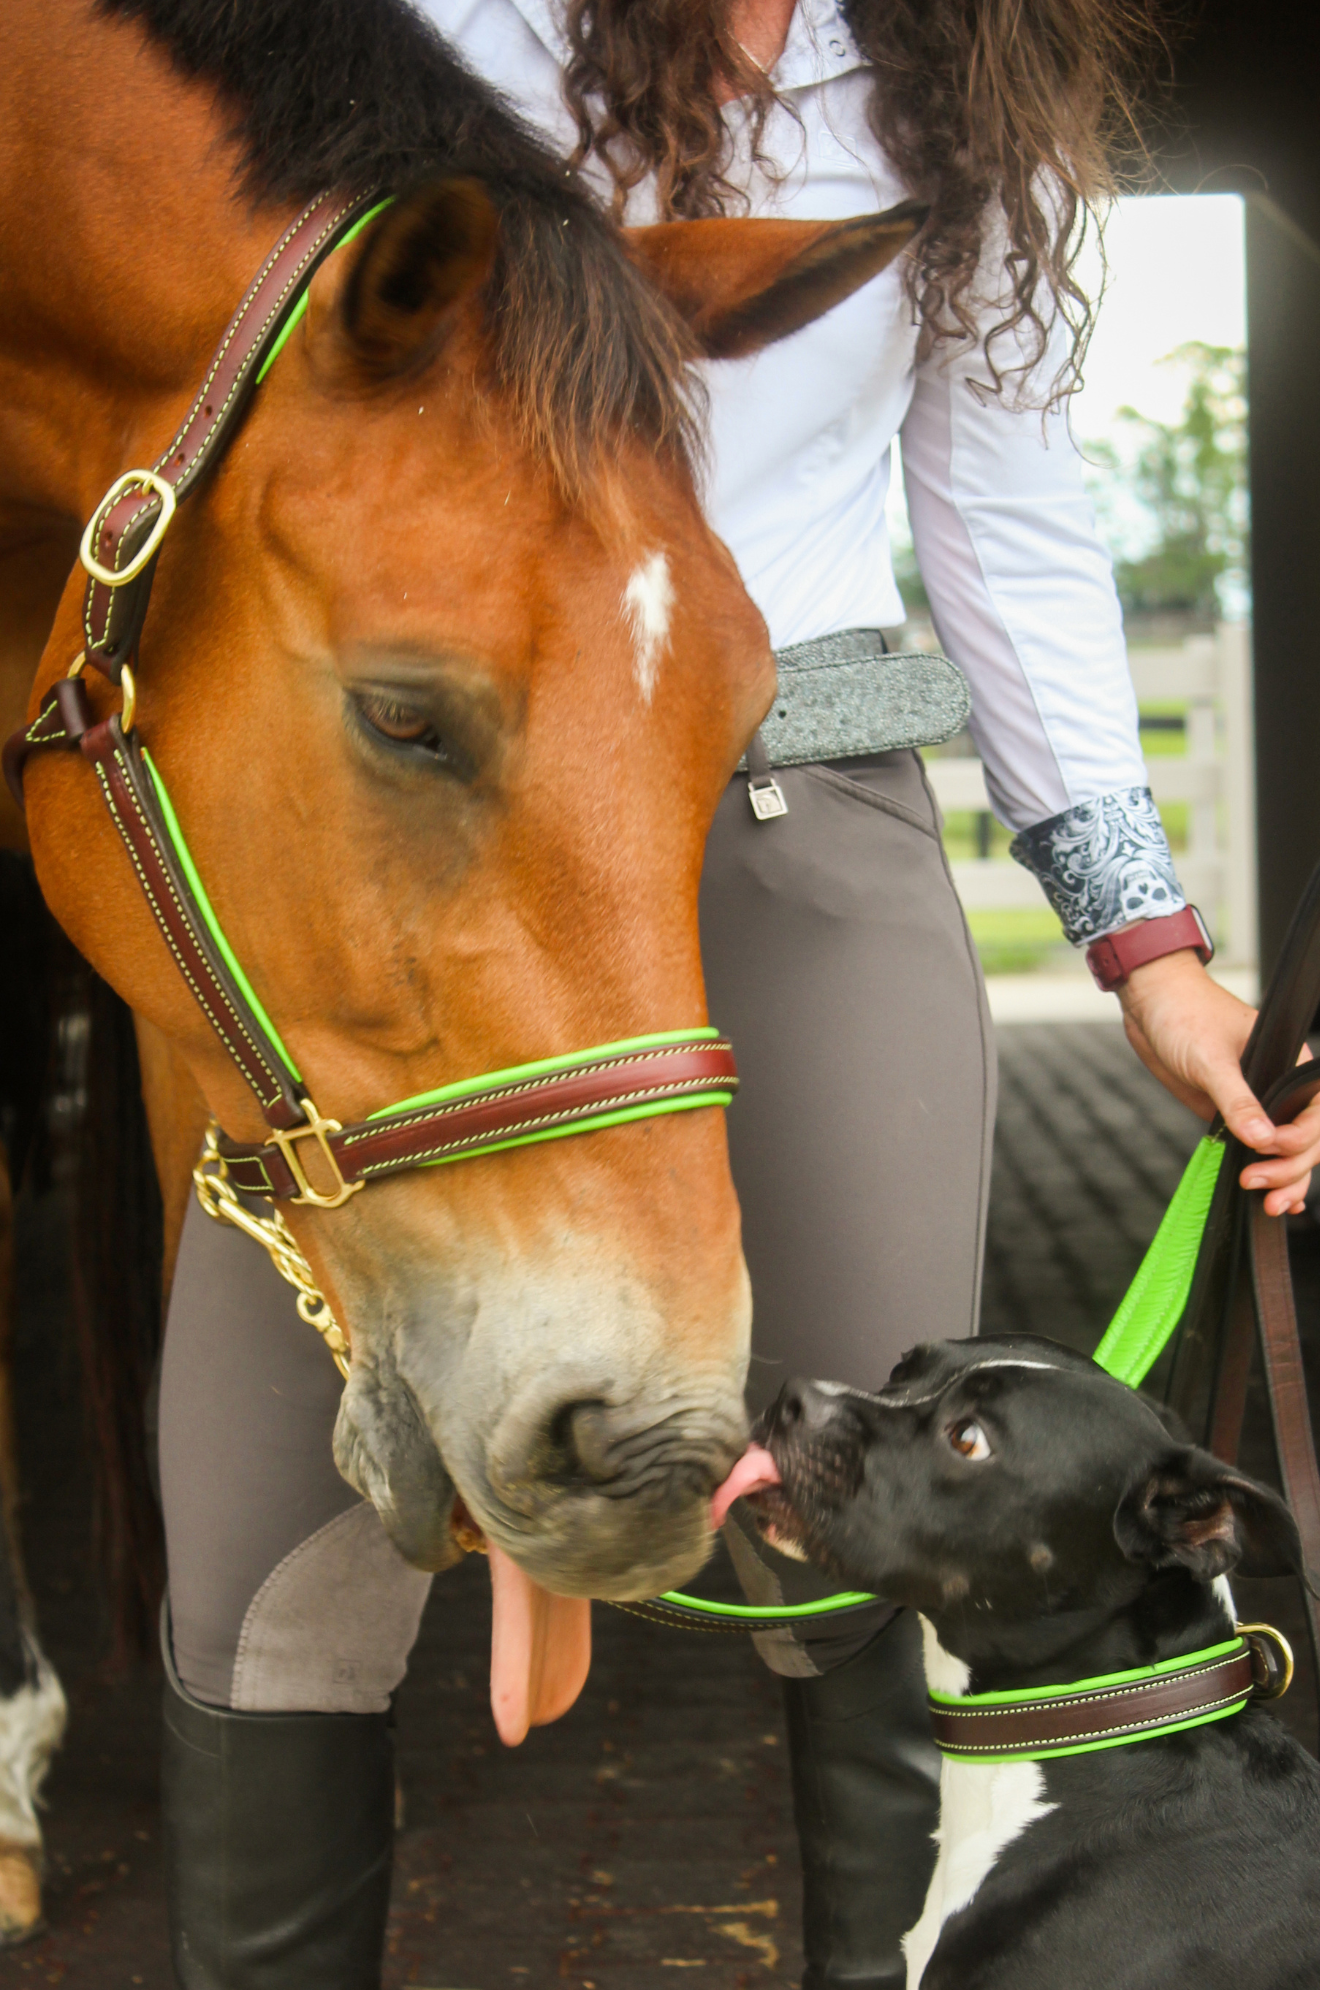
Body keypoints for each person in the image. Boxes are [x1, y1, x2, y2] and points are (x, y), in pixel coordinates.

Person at [156, 2, 1320, 1986]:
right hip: (430, 836)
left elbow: (1011, 532)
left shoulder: (974, 87)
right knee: (274, 1562)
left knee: (878, 1531)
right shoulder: (429, 31)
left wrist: (1151, 947)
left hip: (804, 825)